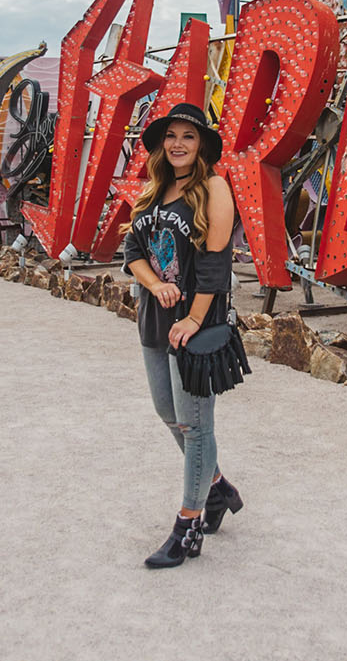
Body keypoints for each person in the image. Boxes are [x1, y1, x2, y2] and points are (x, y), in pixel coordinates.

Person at [122, 102, 243, 568]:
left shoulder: (213, 188)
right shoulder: (153, 192)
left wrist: (192, 318)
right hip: (155, 319)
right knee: (167, 412)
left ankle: (188, 526)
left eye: (188, 137)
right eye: (171, 136)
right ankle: (216, 488)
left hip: (197, 324)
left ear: (201, 145)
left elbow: (215, 265)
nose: (178, 144)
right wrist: (155, 285)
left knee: (195, 426)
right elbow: (133, 249)